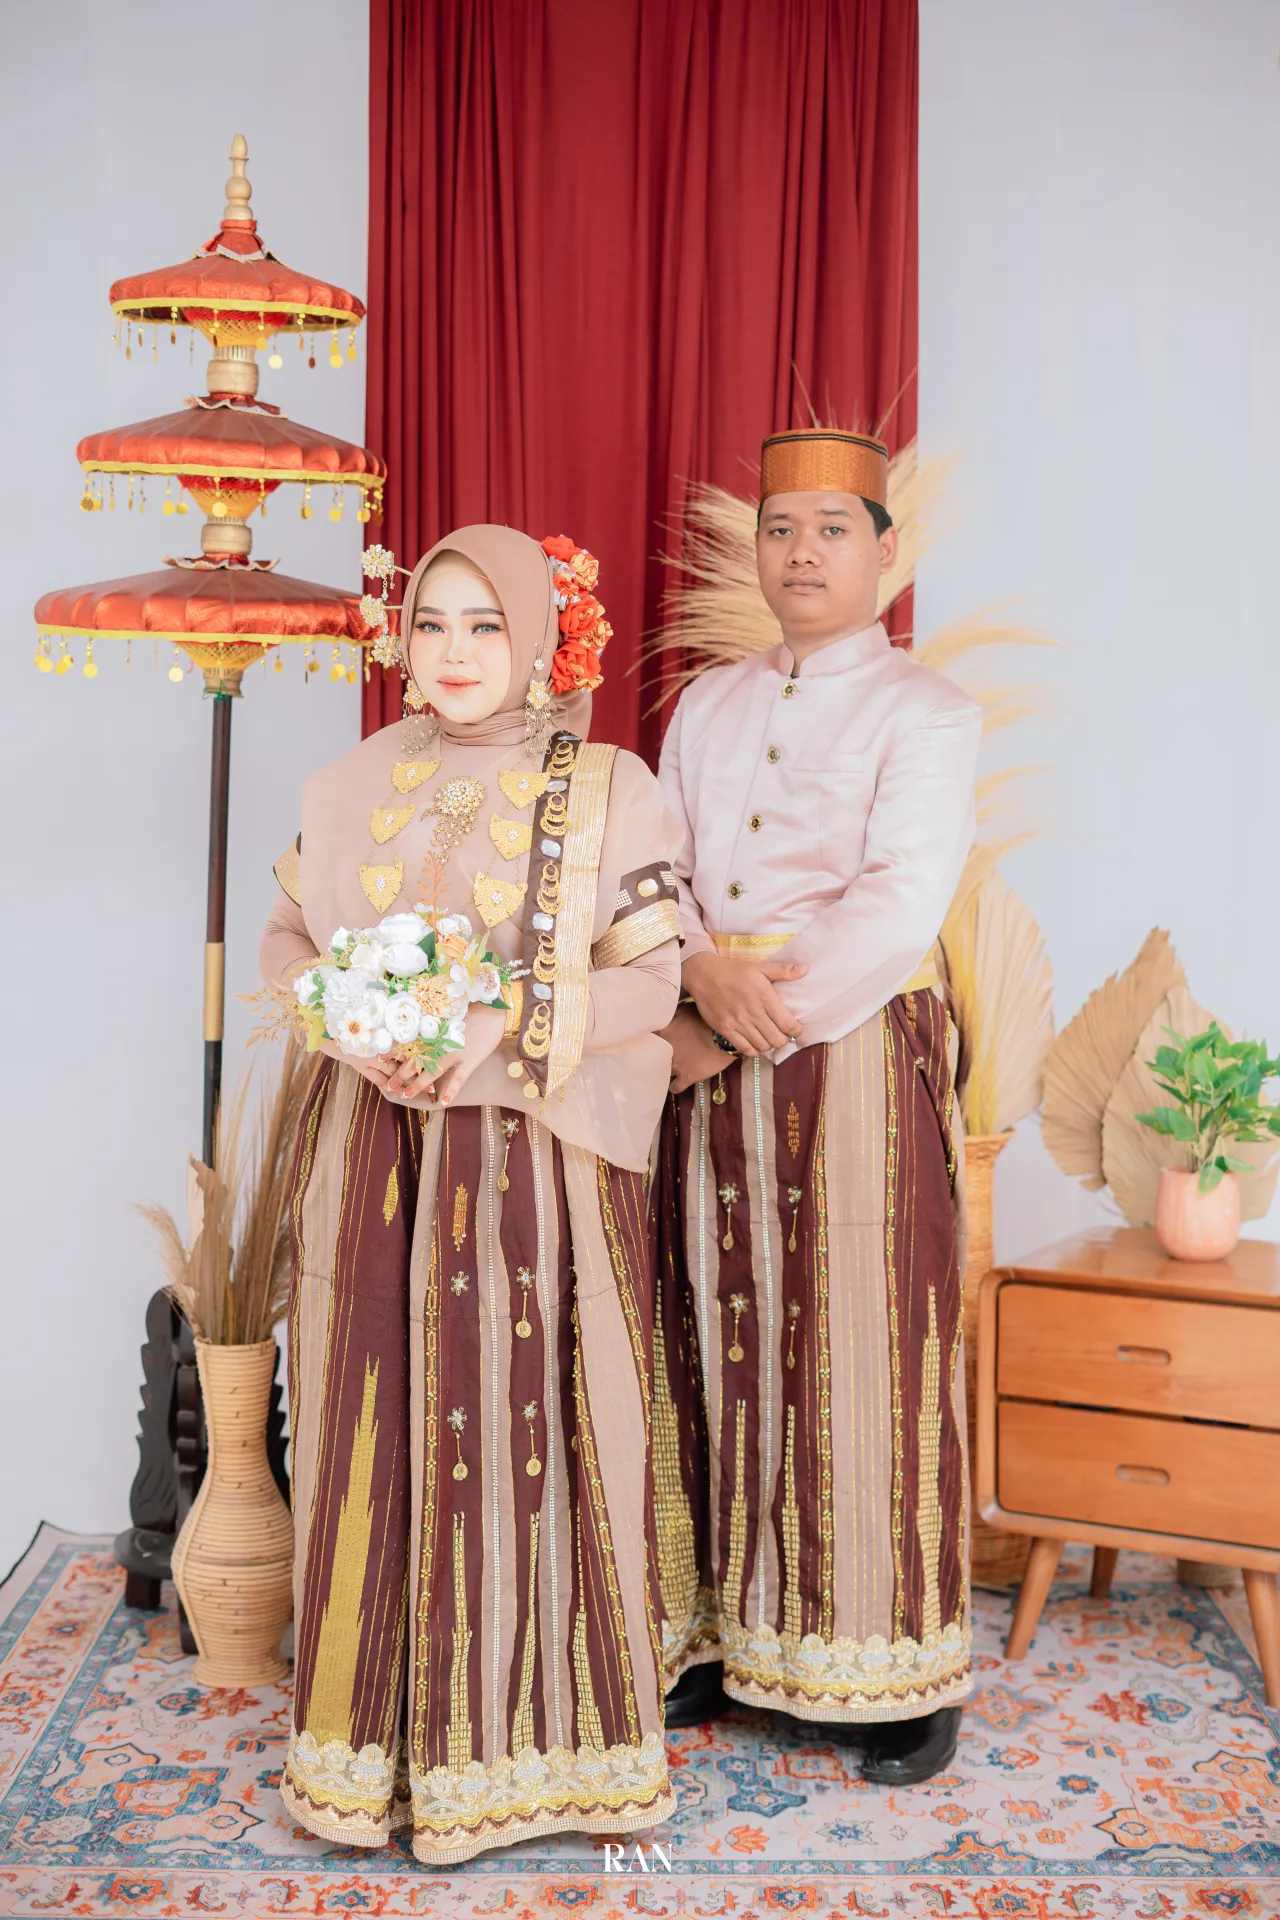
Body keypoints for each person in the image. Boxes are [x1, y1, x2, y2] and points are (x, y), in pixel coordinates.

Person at [260, 525, 682, 1861]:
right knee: (367, 1431)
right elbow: (285, 937)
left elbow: (654, 983)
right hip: (371, 1158)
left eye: (484, 625)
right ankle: (368, 1755)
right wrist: (349, 1023)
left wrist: (498, 1025)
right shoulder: (351, 780)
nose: (451, 652)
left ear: (541, 638)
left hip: (532, 1171)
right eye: (431, 623)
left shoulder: (609, 788)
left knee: (532, 1433)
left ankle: (533, 1753)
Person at [653, 428, 982, 1784]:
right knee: (711, 1326)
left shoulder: (927, 710)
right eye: (780, 529)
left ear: (885, 554)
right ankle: (728, 1641)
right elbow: (658, 871)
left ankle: (898, 1677)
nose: (802, 553)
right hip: (703, 1039)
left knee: (863, 1346)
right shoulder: (706, 705)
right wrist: (693, 973)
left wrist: (735, 1020)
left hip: (851, 1052)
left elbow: (899, 906)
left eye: (833, 530)